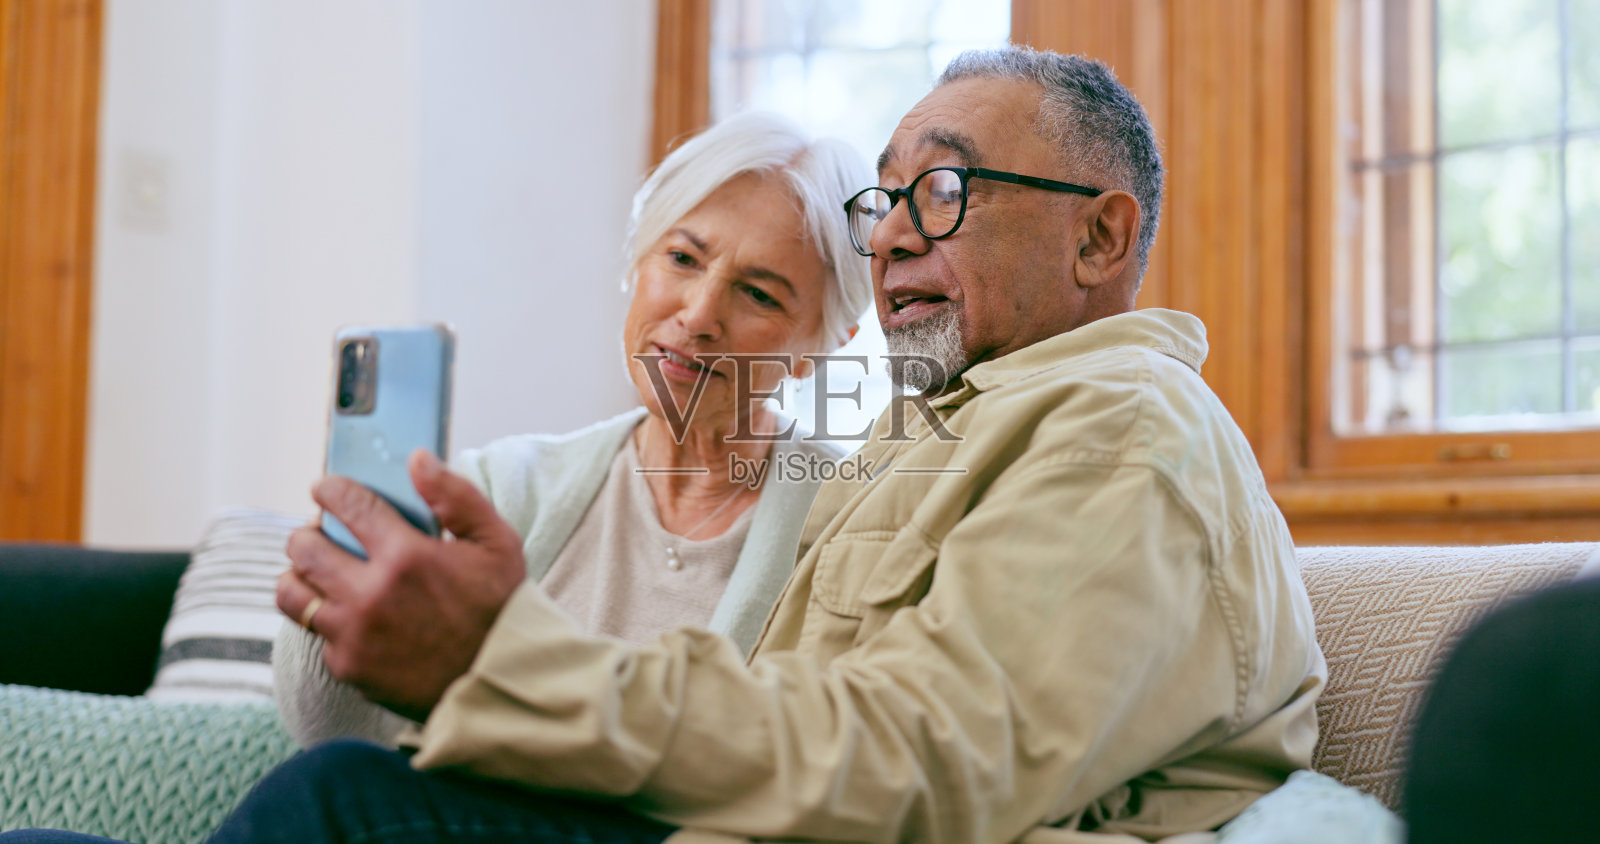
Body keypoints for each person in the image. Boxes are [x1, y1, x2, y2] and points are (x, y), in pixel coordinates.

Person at [0, 46, 1326, 844]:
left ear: (1101, 237)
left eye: (946, 191)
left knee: (340, 810)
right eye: (889, 200)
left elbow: (918, 760)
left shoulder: (1118, 436)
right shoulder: (940, 438)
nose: (898, 235)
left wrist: (495, 658)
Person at [270, 111, 874, 747]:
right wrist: (335, 590)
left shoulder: (853, 525)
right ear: (639, 261)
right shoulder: (499, 490)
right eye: (682, 258)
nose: (698, 316)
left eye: (759, 294)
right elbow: (329, 731)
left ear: (825, 344)